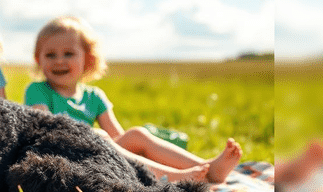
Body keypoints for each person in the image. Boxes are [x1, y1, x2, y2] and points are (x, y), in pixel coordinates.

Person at [25, 16, 242, 183]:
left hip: (101, 153)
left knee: (136, 134)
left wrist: (129, 144)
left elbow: (118, 136)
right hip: (64, 157)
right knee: (99, 136)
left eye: (68, 54)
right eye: (50, 55)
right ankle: (173, 176)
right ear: (38, 59)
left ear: (88, 59)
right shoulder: (38, 91)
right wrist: (97, 139)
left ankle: (208, 169)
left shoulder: (94, 96)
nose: (59, 61)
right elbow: (49, 129)